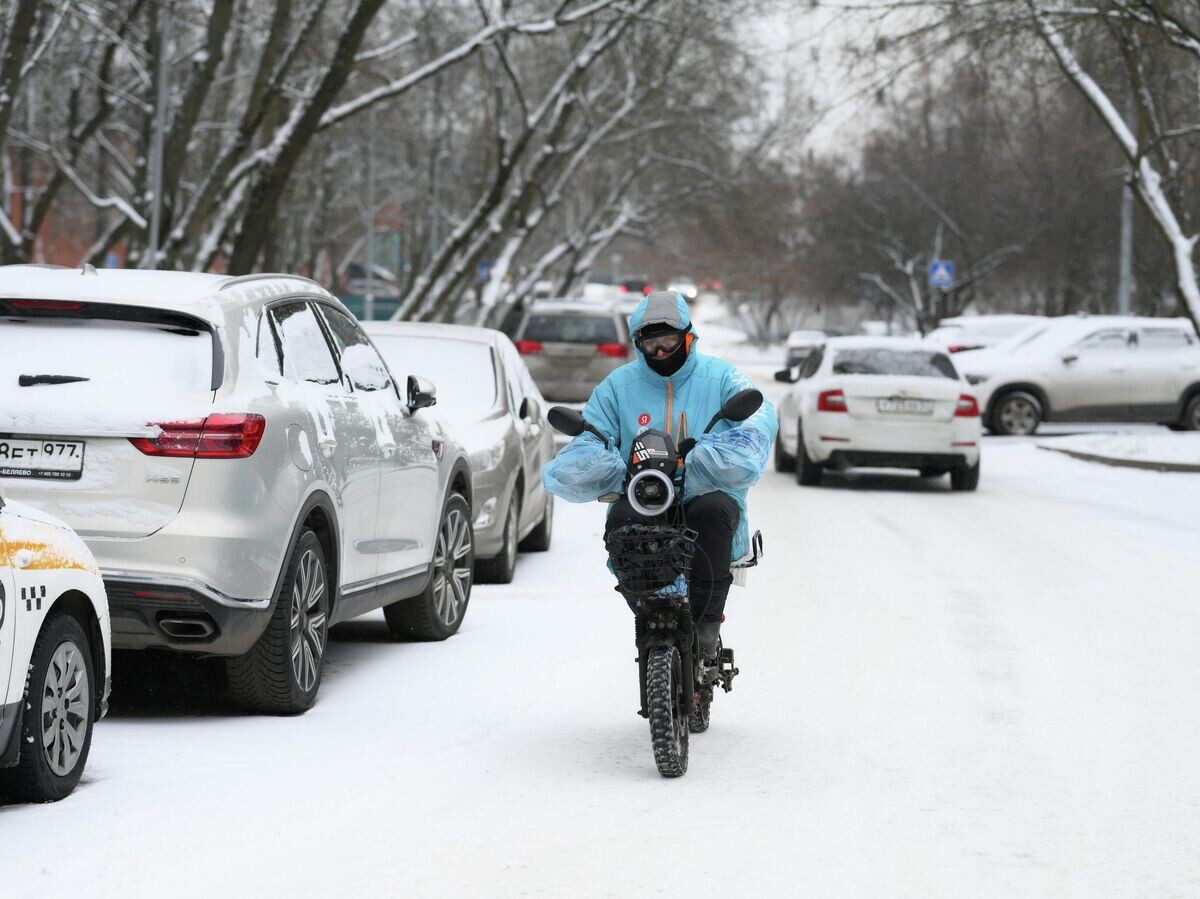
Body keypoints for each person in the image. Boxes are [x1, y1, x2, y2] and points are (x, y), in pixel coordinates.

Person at [542, 290, 777, 660]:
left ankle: (706, 624)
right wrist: (605, 467)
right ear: (639, 344)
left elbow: (757, 418)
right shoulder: (618, 387)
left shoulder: (721, 377)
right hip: (642, 495)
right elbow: (590, 436)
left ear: (687, 336)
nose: (662, 351)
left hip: (705, 494)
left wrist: (710, 458)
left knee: (712, 513)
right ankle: (648, 615)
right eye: (651, 344)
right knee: (622, 522)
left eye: (669, 340)